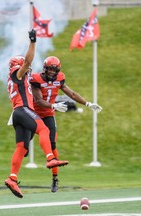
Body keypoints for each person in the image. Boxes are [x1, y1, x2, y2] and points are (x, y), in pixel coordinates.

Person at [5, 29, 69, 198]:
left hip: (17, 114)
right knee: (44, 130)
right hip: (23, 109)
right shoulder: (17, 74)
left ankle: (12, 178)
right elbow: (27, 62)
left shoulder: (14, 79)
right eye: (24, 67)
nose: (28, 69)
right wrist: (33, 42)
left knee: (21, 148)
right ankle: (50, 158)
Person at [30, 56, 102, 192]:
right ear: (45, 69)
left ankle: (55, 178)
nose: (52, 72)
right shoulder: (36, 80)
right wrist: (54, 105)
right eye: (50, 69)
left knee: (52, 145)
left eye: (54, 70)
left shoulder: (59, 79)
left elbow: (72, 94)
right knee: (24, 147)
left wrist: (88, 103)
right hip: (33, 114)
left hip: (48, 115)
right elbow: (39, 100)